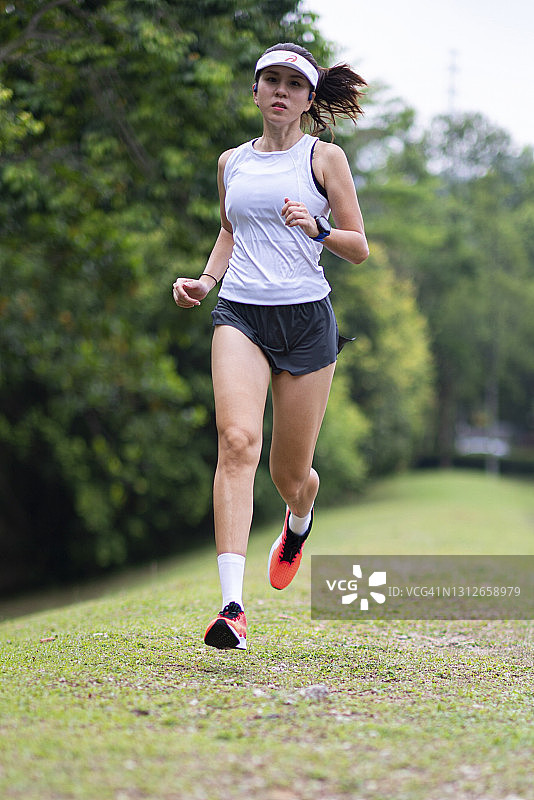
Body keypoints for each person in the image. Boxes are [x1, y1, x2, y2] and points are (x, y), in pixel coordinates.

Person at [173, 42, 369, 651]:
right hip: (242, 316)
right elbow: (230, 229)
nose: (280, 91)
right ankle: (232, 606)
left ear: (309, 100)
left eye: (293, 84)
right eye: (270, 81)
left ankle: (299, 520)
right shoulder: (232, 162)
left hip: (307, 321)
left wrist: (315, 227)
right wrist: (206, 282)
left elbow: (358, 245)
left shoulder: (324, 158)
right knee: (236, 442)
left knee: (291, 475)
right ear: (256, 93)